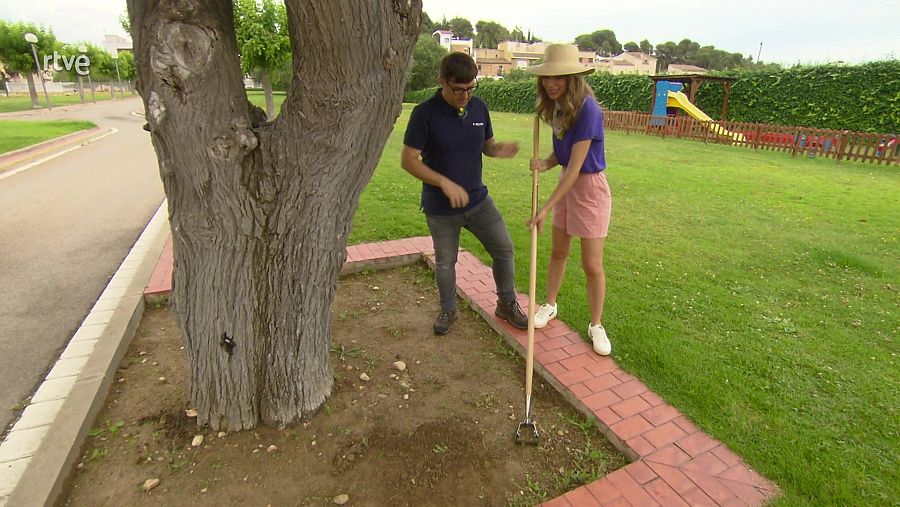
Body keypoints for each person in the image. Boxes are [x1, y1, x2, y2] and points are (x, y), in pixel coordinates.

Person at [401, 52, 528, 335]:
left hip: (478, 201)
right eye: (458, 90)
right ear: (442, 81)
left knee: (504, 250)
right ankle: (448, 309)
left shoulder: (479, 108)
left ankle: (506, 304)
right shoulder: (424, 114)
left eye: (471, 88)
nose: (465, 95)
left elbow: (487, 144)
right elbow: (408, 160)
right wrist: (443, 183)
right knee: (446, 262)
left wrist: (499, 149)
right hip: (441, 208)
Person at [525, 44, 613, 356]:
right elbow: (563, 155)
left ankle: (596, 324)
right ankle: (549, 305)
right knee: (558, 252)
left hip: (588, 189)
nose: (551, 83)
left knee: (592, 264)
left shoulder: (588, 109)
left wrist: (545, 208)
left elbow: (576, 167)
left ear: (572, 78)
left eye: (559, 77)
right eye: (548, 77)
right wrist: (545, 163)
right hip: (567, 181)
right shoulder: (558, 107)